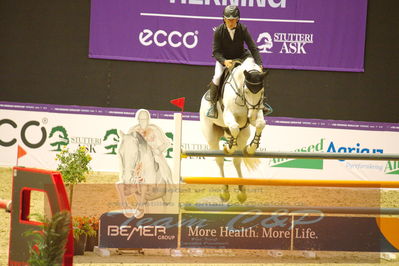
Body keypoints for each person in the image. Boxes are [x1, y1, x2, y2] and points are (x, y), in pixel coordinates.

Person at [206, 5, 263, 118]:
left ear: (238, 19)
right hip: (224, 58)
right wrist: (224, 61)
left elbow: (253, 47)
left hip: (242, 57)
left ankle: (262, 104)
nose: (230, 23)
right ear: (224, 19)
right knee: (217, 77)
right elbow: (216, 52)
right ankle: (212, 105)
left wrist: (259, 63)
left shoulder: (243, 29)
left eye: (233, 20)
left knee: (255, 73)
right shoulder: (218, 31)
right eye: (228, 20)